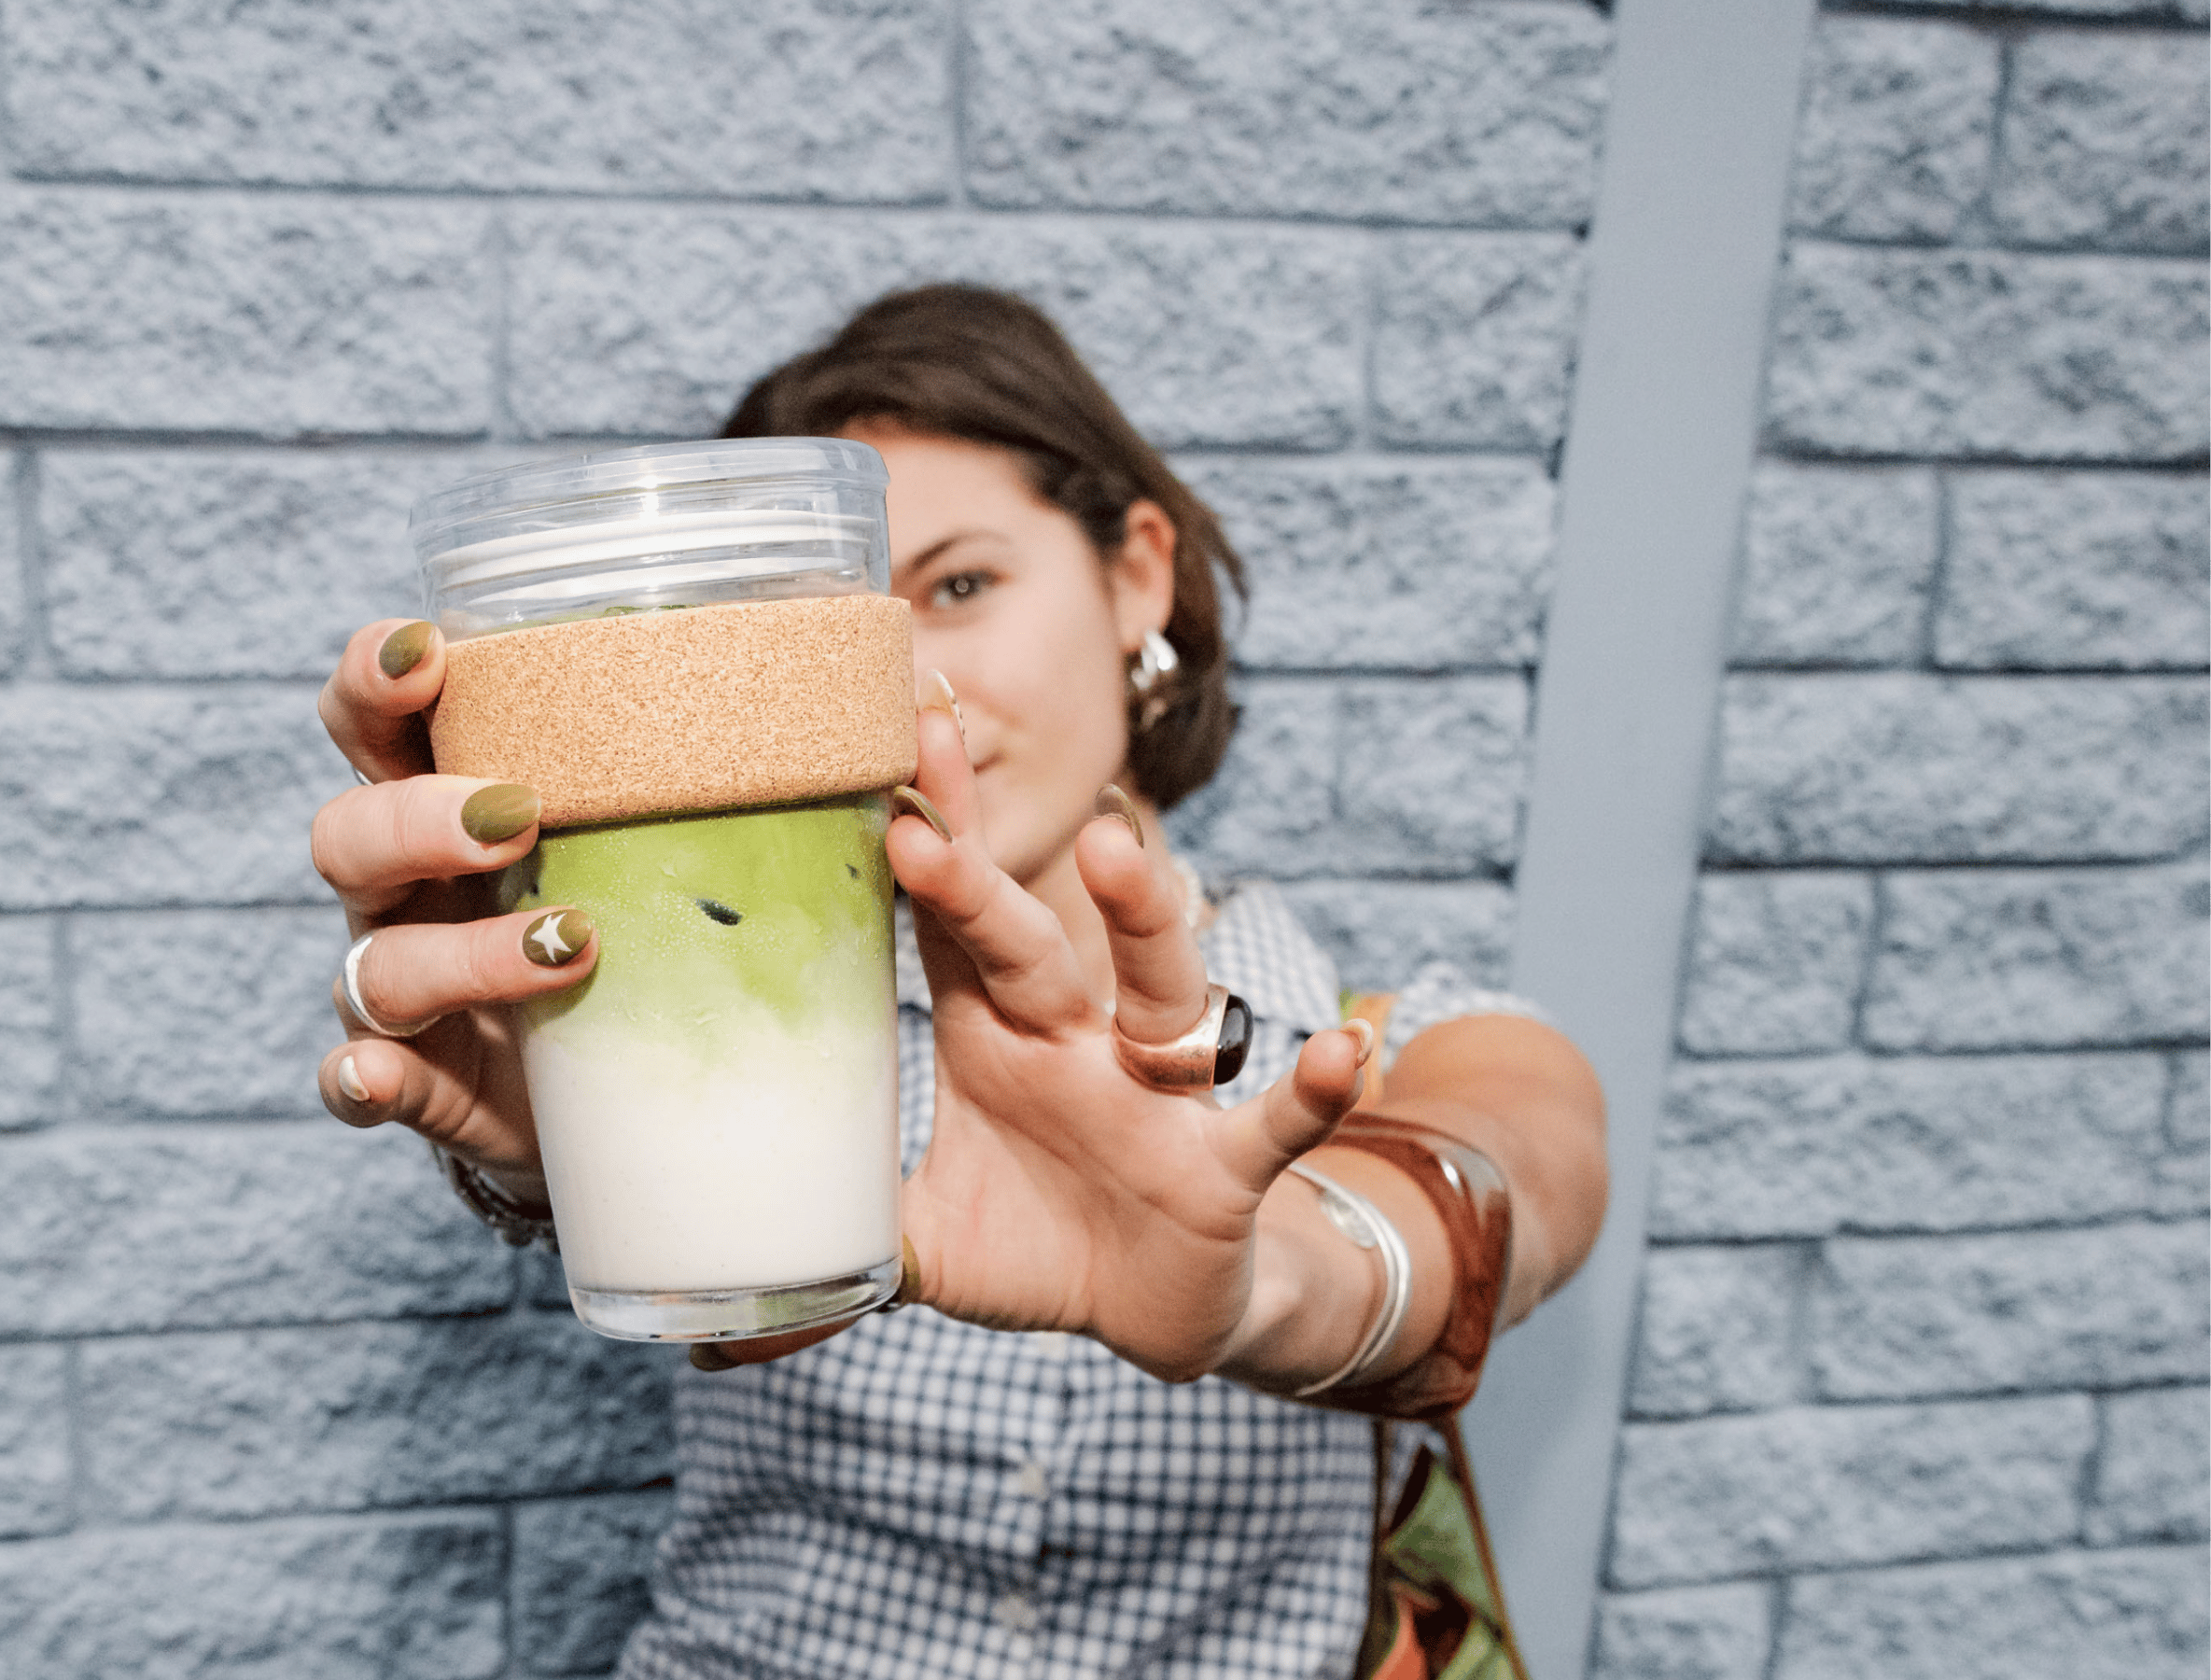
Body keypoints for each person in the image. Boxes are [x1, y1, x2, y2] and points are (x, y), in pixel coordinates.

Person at [310, 285, 1606, 1677]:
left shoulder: (1396, 1044)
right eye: (831, 623)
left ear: (1135, 577)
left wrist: (1271, 1283)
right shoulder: (742, 1051)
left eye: (962, 586)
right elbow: (578, 1177)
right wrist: (539, 1127)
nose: (901, 679)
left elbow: (1501, 1184)